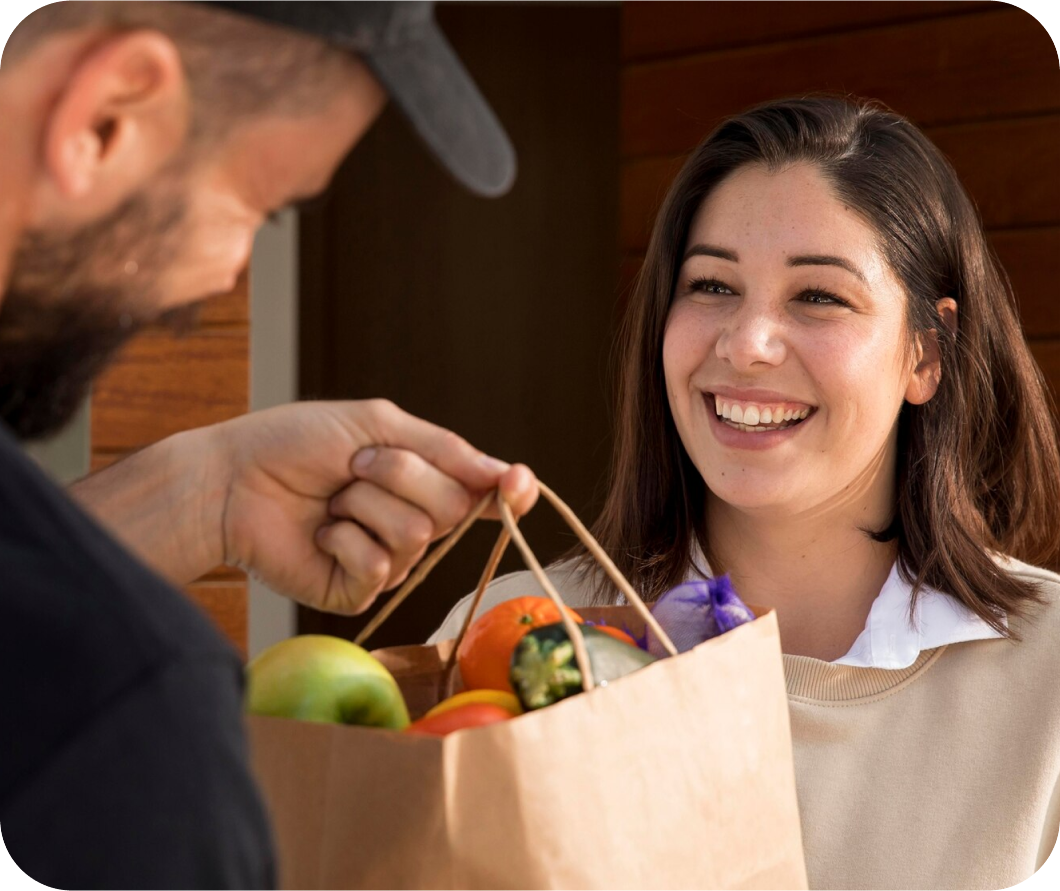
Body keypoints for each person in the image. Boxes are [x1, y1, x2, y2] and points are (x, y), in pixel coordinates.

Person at [431, 96, 1060, 890]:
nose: (747, 343)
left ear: (924, 356)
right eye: (713, 285)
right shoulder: (511, 636)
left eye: (818, 296)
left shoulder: (1049, 681)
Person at [0, 0, 538, 887]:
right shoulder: (129, 723)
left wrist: (205, 491)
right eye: (263, 206)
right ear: (107, 115)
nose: (228, 272)